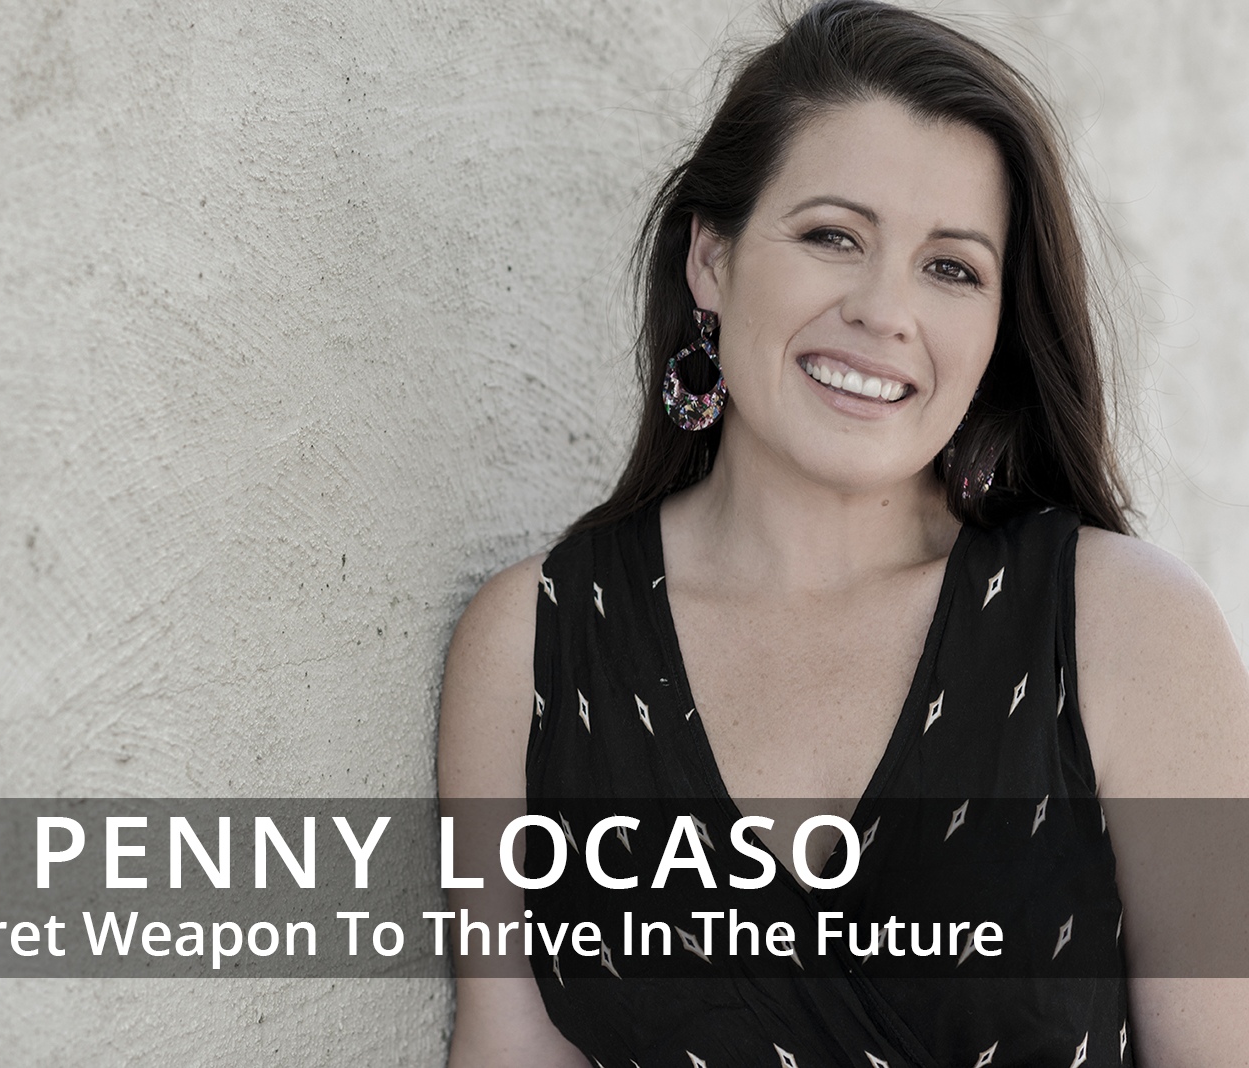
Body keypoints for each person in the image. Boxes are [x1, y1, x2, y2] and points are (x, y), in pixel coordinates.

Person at [437, 1, 1249, 1064]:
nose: (884, 310)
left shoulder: (1124, 629)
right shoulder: (534, 644)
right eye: (832, 236)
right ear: (711, 261)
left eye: (951, 267)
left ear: (999, 327)